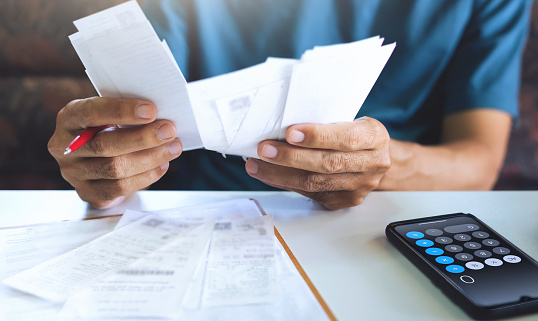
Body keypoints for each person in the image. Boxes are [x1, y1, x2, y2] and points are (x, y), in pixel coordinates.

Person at [47, 0, 532, 210]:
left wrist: (377, 164)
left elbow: (478, 162)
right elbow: (130, 114)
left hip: (377, 215)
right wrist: (105, 166)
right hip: (197, 208)